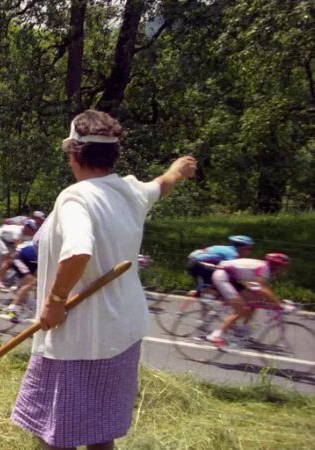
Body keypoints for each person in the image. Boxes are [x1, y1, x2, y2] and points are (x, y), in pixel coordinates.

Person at [10, 110, 196, 450]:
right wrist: (177, 171)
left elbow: (78, 250)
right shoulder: (128, 192)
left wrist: (55, 302)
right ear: (113, 155)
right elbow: (161, 186)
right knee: (100, 430)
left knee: (55, 435)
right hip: (122, 334)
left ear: (74, 154)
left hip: (78, 339)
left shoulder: (76, 199)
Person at [205, 253, 293, 348]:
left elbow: (257, 288)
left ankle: (242, 329)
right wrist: (280, 305)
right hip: (223, 277)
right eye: (283, 267)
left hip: (231, 277)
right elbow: (263, 289)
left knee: (255, 300)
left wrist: (273, 301)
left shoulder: (264, 267)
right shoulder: (264, 269)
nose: (284, 270)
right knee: (240, 309)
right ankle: (216, 334)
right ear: (276, 266)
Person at [186, 235, 254, 293]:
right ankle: (206, 295)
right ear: (242, 248)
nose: (250, 252)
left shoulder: (226, 249)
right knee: (222, 278)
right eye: (250, 249)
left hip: (194, 263)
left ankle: (198, 294)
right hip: (198, 264)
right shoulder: (232, 254)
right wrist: (247, 284)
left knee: (209, 284)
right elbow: (234, 272)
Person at [0, 218, 38, 290]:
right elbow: (18, 247)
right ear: (27, 227)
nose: (33, 231)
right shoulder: (17, 232)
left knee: (14, 259)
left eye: (34, 229)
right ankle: (0, 282)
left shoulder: (28, 234)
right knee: (7, 257)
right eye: (32, 229)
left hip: (7, 241)